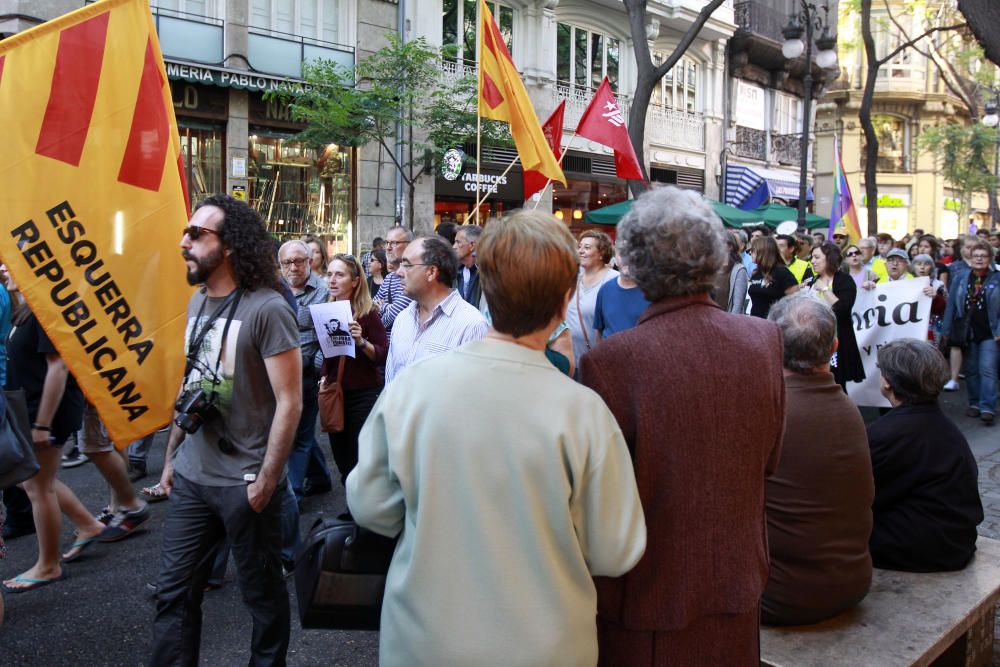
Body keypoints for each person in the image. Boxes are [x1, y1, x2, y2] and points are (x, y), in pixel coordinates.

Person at [346, 209, 646, 666]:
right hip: (545, 647)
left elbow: (371, 506)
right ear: (566, 298)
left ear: (485, 286)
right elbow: (614, 549)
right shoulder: (585, 415)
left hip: (424, 640)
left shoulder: (412, 389)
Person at [580, 186, 785, 665]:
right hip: (735, 581)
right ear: (713, 257)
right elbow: (769, 460)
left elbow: (598, 499)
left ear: (633, 262)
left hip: (647, 595)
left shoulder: (613, 362)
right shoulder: (764, 341)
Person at [150, 195, 302, 666]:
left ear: (230, 245)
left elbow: (290, 401)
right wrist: (173, 457)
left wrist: (266, 480)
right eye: (186, 232)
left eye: (197, 235)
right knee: (173, 595)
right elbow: (192, 383)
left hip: (246, 483)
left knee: (262, 597)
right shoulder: (197, 301)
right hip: (195, 476)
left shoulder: (268, 308)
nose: (184, 242)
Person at [761, 295, 874, 625]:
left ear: (771, 344)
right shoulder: (849, 410)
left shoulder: (768, 410)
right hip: (852, 580)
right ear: (835, 346)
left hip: (781, 596)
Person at [0, 305, 104, 593]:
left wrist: (43, 424)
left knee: (38, 487)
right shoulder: (26, 308)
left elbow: (58, 366)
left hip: (46, 413)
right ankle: (88, 524)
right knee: (30, 481)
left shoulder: (46, 309)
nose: (5, 267)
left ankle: (48, 565)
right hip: (29, 407)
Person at [867, 340, 983, 571]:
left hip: (923, 547)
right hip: (956, 539)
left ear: (888, 383)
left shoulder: (888, 433)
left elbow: (863, 496)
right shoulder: (942, 426)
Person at [318, 253, 387, 517]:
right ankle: (353, 507)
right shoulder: (327, 309)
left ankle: (364, 513)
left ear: (355, 281)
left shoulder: (368, 313)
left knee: (361, 460)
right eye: (330, 275)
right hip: (336, 394)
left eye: (340, 275)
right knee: (342, 458)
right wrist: (325, 375)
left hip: (363, 394)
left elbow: (381, 354)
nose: (332, 280)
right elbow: (328, 353)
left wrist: (361, 342)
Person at [384, 236, 488, 382]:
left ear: (431, 272)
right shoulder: (403, 319)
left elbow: (472, 394)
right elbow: (390, 382)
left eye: (407, 265)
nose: (398, 272)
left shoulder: (471, 325)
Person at [278, 239, 333, 502]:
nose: (293, 267)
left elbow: (328, 338)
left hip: (306, 373)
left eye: (299, 261)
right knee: (300, 431)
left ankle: (294, 496)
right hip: (278, 371)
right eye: (287, 262)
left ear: (309, 262)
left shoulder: (322, 291)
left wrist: (318, 368)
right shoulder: (274, 289)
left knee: (297, 437)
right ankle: (320, 477)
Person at [941, 241, 1000, 424]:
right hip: (967, 332)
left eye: (983, 256)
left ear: (990, 258)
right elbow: (951, 305)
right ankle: (974, 403)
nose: (979, 259)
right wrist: (946, 329)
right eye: (976, 256)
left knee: (988, 370)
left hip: (990, 332)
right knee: (972, 371)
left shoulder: (997, 278)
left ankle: (987, 407)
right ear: (970, 258)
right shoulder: (961, 277)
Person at [807, 242, 866, 390]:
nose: (812, 261)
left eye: (816, 257)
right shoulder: (813, 281)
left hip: (838, 342)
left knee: (837, 385)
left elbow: (843, 309)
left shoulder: (844, 280)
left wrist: (825, 289)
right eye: (812, 257)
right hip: (815, 342)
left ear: (829, 258)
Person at [566, 230, 618, 366]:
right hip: (570, 359)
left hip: (597, 362)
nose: (581, 251)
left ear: (601, 253)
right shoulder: (571, 278)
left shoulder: (613, 280)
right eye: (579, 247)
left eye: (587, 247)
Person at [593, 246, 650, 340]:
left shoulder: (654, 291)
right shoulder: (605, 290)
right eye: (622, 252)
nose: (626, 258)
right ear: (615, 258)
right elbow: (599, 331)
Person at [373, 227, 414, 333]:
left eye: (394, 243)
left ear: (409, 245)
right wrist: (387, 307)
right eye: (387, 243)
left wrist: (382, 306)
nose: (388, 248)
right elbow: (371, 307)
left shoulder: (413, 276)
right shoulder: (389, 277)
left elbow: (394, 315)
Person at [747, 235, 797, 318]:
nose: (750, 253)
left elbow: (796, 301)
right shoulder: (756, 272)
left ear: (763, 251)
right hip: (756, 321)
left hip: (775, 322)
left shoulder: (782, 272)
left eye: (753, 250)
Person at [912, 253, 947, 347]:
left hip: (931, 328)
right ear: (913, 267)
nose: (922, 267)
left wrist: (935, 297)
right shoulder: (907, 283)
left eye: (926, 264)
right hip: (911, 327)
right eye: (918, 264)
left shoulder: (938, 285)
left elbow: (944, 308)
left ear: (931, 267)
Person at [713, 232, 749, 314]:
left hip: (728, 319)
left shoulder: (739, 270)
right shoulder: (713, 268)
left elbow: (738, 305)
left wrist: (731, 323)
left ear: (730, 246)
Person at [453, 224, 483, 307]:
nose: (454, 246)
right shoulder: (455, 272)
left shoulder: (486, 274)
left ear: (472, 245)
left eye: (458, 242)